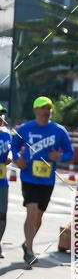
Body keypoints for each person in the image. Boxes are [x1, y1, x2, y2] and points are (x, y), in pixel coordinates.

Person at [11, 96, 73, 266]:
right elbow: (14, 147)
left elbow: (70, 153)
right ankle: (30, 251)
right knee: (31, 212)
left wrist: (59, 156)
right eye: (43, 108)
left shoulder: (59, 131)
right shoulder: (25, 129)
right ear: (35, 110)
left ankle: (27, 243)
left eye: (49, 109)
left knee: (38, 216)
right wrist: (17, 159)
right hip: (29, 177)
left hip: (47, 180)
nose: (46, 112)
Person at [0, 104, 11, 258]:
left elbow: (11, 151)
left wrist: (10, 157)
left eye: (1, 115)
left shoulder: (7, 134)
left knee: (2, 214)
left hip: (2, 181)